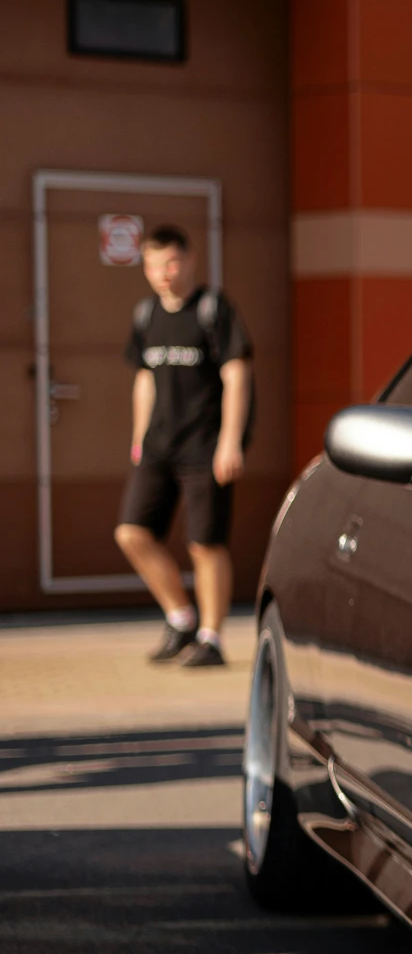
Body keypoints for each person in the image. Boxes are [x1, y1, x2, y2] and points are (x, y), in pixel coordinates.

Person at [113, 225, 252, 667]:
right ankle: (180, 617)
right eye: (153, 265)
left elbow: (236, 375)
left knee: (204, 543)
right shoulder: (146, 314)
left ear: (190, 259)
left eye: (171, 263)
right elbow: (144, 381)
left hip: (205, 445)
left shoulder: (214, 310)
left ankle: (211, 638)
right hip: (157, 446)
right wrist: (137, 438)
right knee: (132, 534)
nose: (163, 274)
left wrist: (230, 442)